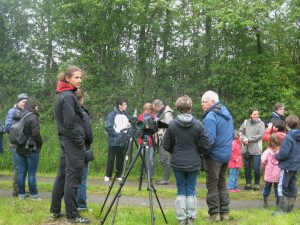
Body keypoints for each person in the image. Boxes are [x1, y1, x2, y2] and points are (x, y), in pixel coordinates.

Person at [49, 66, 90, 224]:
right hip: (72, 142)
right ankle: (72, 215)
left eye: (80, 78)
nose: (79, 80)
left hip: (67, 141)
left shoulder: (64, 94)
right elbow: (70, 124)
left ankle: (55, 210)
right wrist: (80, 142)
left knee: (63, 176)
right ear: (67, 78)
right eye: (76, 77)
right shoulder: (67, 96)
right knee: (73, 179)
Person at [163, 95, 211, 225]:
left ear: (177, 108)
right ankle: (191, 218)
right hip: (193, 162)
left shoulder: (172, 124)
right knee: (191, 189)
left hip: (177, 161)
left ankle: (181, 219)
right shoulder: (198, 125)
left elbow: (166, 145)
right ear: (190, 107)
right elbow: (206, 145)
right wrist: (198, 152)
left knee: (181, 189)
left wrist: (175, 151)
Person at [201, 90, 234, 221]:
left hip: (214, 156)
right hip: (226, 154)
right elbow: (231, 134)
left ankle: (214, 215)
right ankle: (224, 213)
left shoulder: (210, 117)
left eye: (205, 102)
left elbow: (209, 140)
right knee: (222, 183)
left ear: (213, 102)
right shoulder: (227, 114)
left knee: (212, 184)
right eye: (201, 102)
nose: (202, 104)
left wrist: (202, 153)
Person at [273, 115, 300, 215]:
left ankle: (282, 209)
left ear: (287, 125)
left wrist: (277, 156)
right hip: (296, 166)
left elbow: (284, 153)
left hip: (287, 166)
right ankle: (290, 209)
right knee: (292, 187)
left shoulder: (288, 137)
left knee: (282, 187)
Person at [16, 99, 43, 200]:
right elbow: (36, 133)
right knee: (32, 173)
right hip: (31, 148)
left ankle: (21, 194)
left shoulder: (21, 115)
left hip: (20, 146)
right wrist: (40, 142)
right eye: (37, 106)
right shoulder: (33, 116)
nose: (37, 107)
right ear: (34, 106)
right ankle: (34, 195)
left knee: (22, 171)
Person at [5, 93, 28, 197]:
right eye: (23, 102)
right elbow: (8, 127)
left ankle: (21, 189)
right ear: (18, 101)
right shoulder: (12, 112)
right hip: (15, 143)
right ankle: (16, 191)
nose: (25, 104)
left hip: (22, 143)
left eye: (26, 102)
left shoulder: (22, 112)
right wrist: (20, 133)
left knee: (22, 167)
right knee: (18, 167)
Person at [75, 89, 93, 212]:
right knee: (82, 179)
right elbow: (89, 134)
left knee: (70, 178)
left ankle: (69, 203)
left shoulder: (67, 112)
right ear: (82, 99)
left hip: (70, 149)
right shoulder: (83, 114)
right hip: (82, 148)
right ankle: (81, 205)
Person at [104, 98, 130, 182]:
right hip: (113, 140)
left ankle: (118, 175)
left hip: (123, 140)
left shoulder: (127, 114)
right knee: (111, 159)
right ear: (120, 106)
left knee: (120, 158)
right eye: (124, 105)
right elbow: (108, 127)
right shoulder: (112, 114)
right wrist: (116, 135)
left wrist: (127, 136)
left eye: (126, 104)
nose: (126, 106)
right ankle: (108, 175)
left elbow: (131, 126)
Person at [239, 108, 265, 191]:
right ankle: (248, 183)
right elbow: (240, 132)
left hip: (256, 150)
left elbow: (260, 135)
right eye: (254, 114)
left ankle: (257, 183)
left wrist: (248, 139)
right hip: (246, 149)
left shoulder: (261, 124)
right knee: (247, 168)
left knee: (256, 168)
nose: (256, 116)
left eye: (257, 114)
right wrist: (243, 138)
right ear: (250, 115)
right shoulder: (246, 122)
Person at [152, 99, 173, 185]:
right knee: (162, 158)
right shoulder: (161, 113)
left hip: (165, 139)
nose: (155, 110)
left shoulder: (167, 114)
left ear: (159, 106)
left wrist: (165, 139)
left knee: (165, 159)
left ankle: (166, 179)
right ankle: (164, 177)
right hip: (160, 139)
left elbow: (169, 127)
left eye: (155, 108)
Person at [261, 133, 281, 208]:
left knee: (267, 187)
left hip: (269, 172)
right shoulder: (281, 151)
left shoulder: (267, 151)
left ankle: (265, 202)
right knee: (277, 188)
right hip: (278, 173)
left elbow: (263, 161)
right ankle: (278, 202)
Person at [137, 103, 155, 180]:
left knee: (151, 158)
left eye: (149, 110)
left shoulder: (154, 117)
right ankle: (143, 174)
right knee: (143, 157)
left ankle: (151, 174)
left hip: (151, 140)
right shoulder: (140, 117)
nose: (148, 111)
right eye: (146, 110)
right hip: (142, 140)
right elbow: (138, 127)